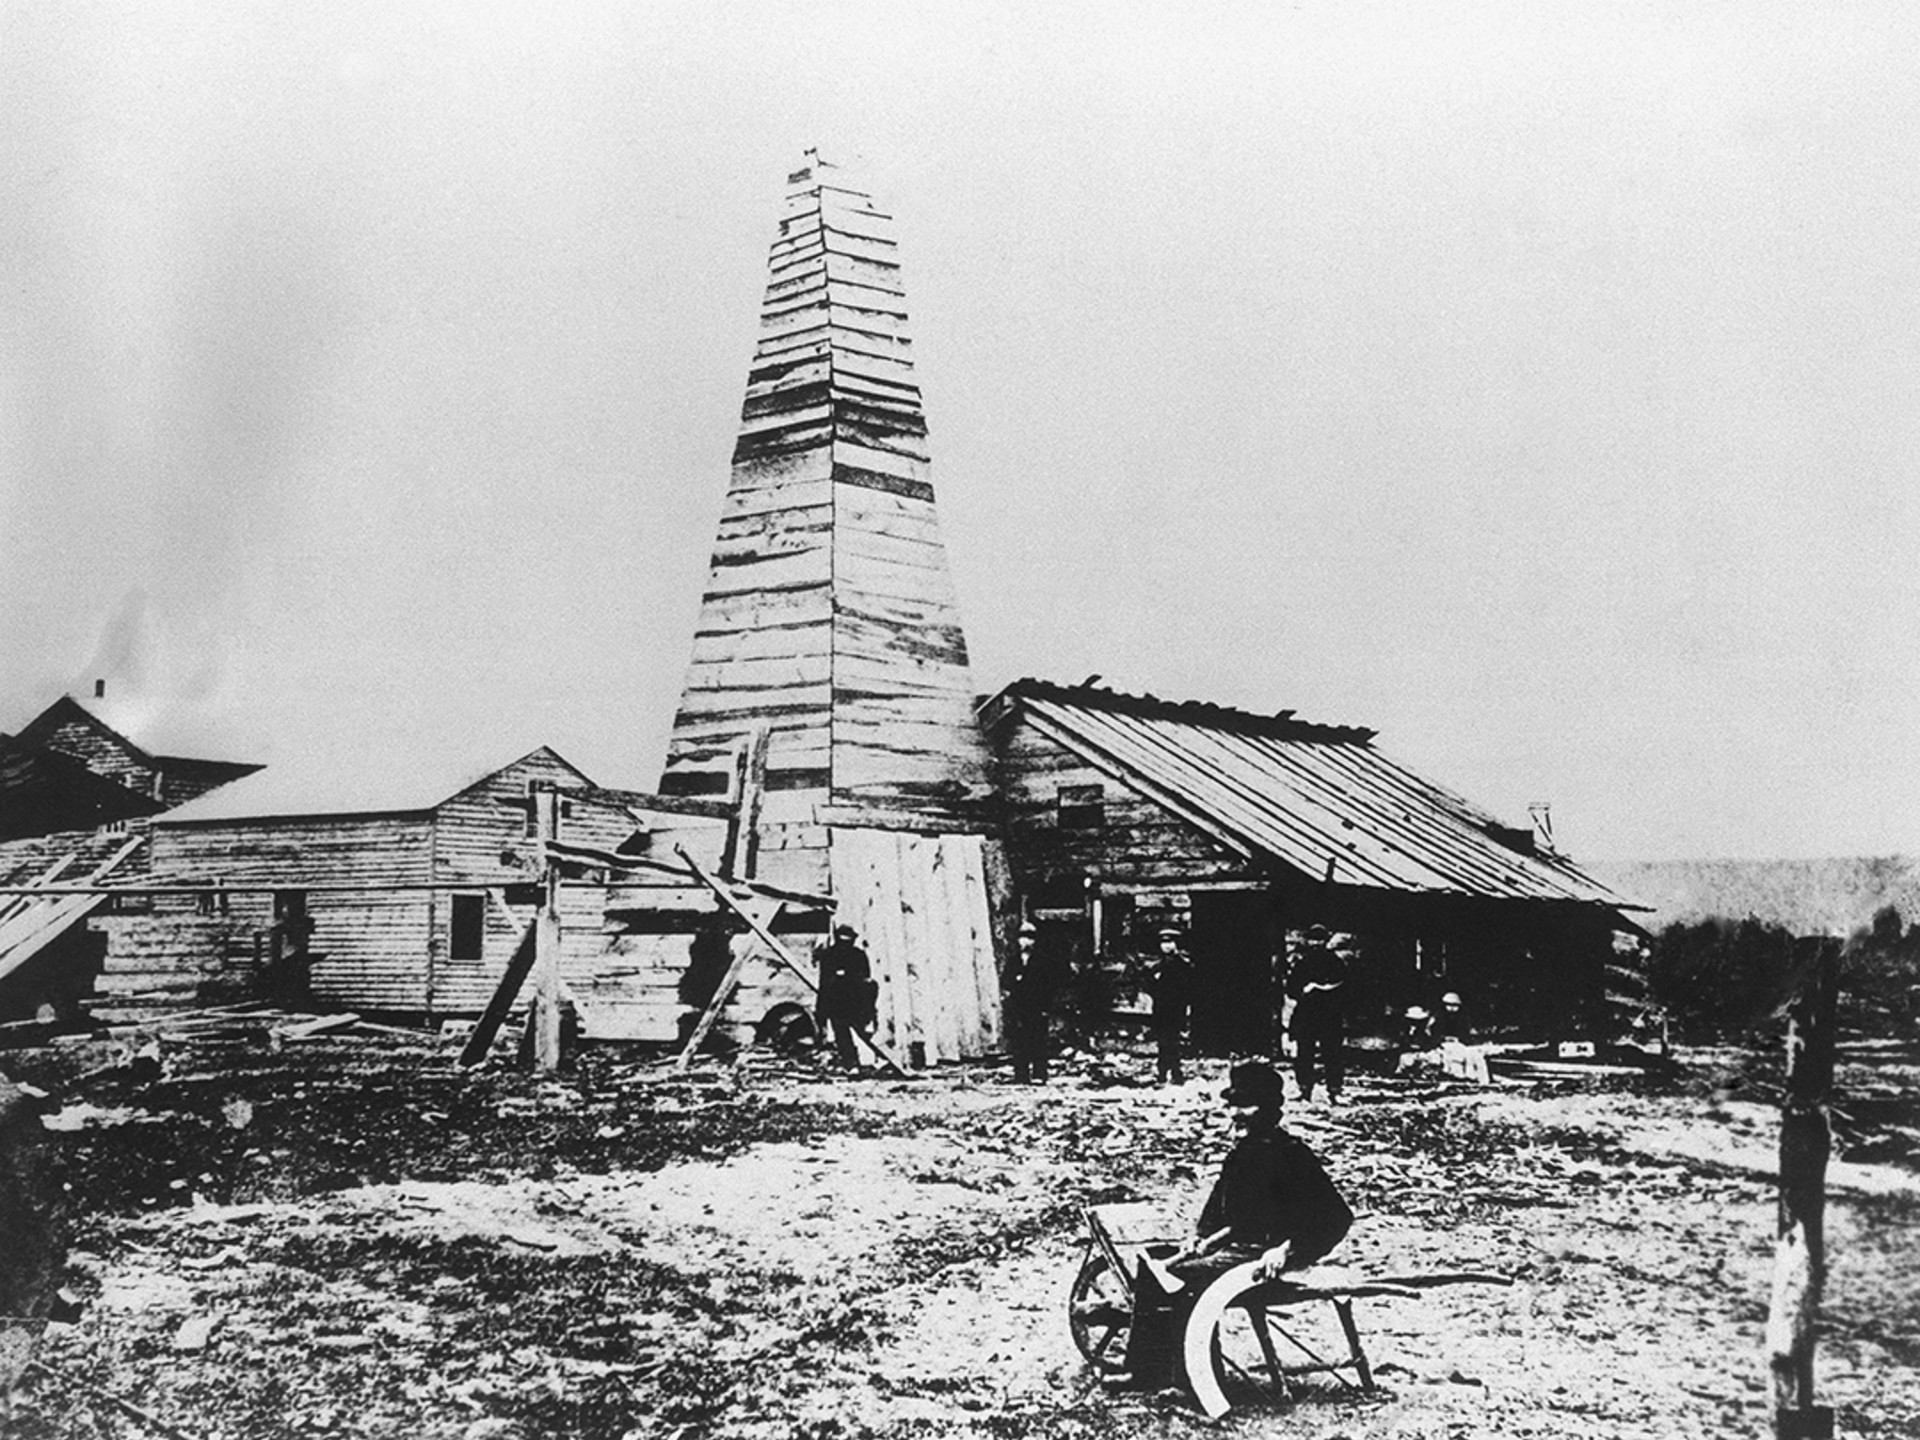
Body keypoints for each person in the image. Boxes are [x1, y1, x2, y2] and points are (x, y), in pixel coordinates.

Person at [1123, 1060, 1353, 1379]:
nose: (1235, 1113)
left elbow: (1335, 1217)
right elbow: (1219, 1205)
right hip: (1235, 1250)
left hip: (1261, 1258)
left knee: (1177, 1278)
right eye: (1232, 1105)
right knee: (1156, 1264)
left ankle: (1186, 1377)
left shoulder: (1290, 1154)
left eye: (1246, 1105)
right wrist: (1198, 1234)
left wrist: (1287, 1250)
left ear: (1269, 1108)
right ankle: (1153, 1369)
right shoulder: (1242, 1152)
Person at [1286, 924, 1347, 1103]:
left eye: (1320, 939)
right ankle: (1304, 1090)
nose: (1316, 943)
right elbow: (1291, 989)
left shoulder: (1335, 962)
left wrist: (1322, 988)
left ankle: (1335, 1091)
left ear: (1326, 941)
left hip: (1330, 1014)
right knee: (1305, 1053)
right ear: (1308, 940)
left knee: (1332, 1053)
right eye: (1313, 939)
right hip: (1307, 1015)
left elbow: (1345, 986)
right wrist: (1303, 990)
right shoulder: (1302, 963)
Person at [1005, 919, 1058, 1083]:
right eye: (1023, 937)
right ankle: (1021, 1074)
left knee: (1038, 1040)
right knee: (1019, 1041)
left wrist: (1046, 1007)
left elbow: (1049, 985)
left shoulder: (1042, 961)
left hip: (1037, 1006)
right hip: (1019, 1007)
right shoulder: (1014, 961)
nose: (1026, 941)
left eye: (1030, 937)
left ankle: (1039, 1073)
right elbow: (1006, 982)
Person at [814, 924, 872, 1071]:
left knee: (857, 1032)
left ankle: (860, 1061)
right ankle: (851, 1063)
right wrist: (821, 1009)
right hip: (838, 1001)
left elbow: (865, 978)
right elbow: (825, 982)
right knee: (842, 1034)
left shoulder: (857, 955)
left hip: (854, 1000)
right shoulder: (830, 955)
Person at [1148, 927, 1192, 1085]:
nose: (1166, 946)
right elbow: (1151, 987)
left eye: (1170, 942)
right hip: (1160, 1008)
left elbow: (1186, 988)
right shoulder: (1158, 966)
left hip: (1175, 1008)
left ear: (1176, 944)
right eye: (1163, 942)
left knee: (1171, 1041)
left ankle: (1173, 1073)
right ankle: (1165, 1073)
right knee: (1163, 1041)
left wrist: (1184, 1006)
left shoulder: (1182, 965)